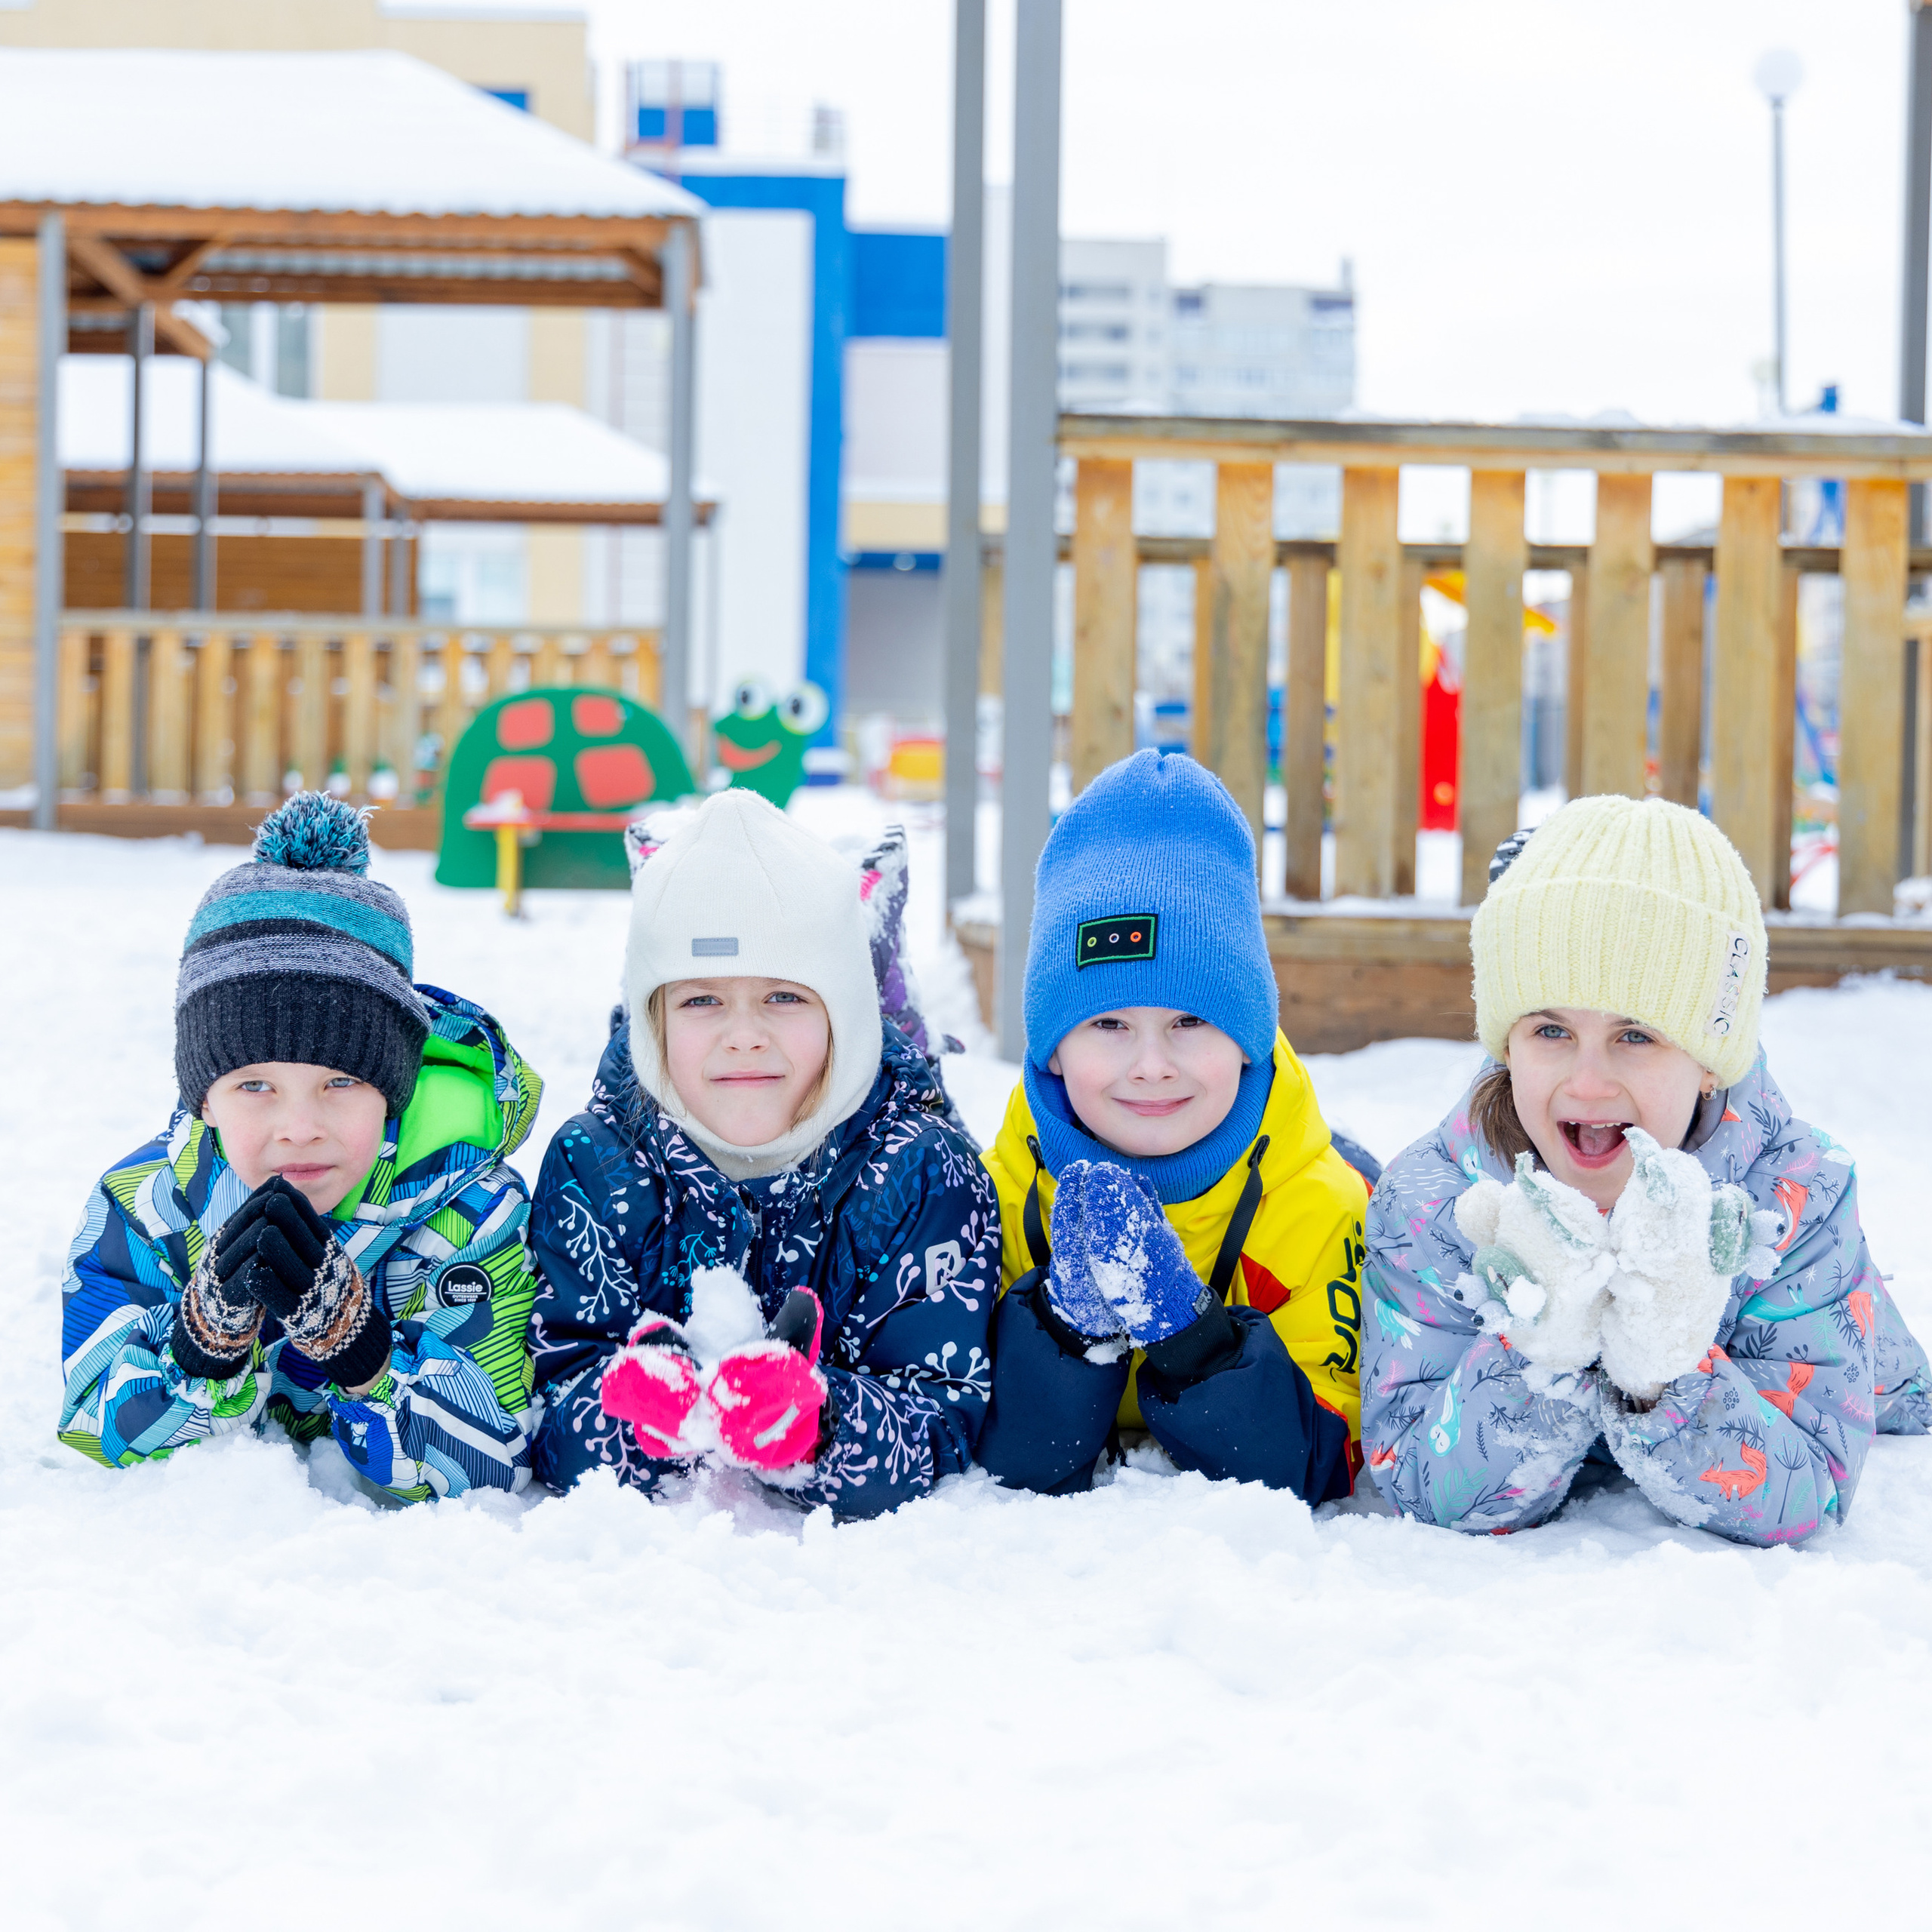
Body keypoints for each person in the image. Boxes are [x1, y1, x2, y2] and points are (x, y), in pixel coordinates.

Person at [1363, 794, 1931, 1544]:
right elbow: (1413, 1477)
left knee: (1902, 1388)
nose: (1589, 1081)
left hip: (1850, 1348)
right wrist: (1540, 1351)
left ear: (1706, 1063)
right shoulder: (1438, 1202)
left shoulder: (1790, 1198)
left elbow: (1812, 1489)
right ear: (1507, 1044)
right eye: (1550, 1028)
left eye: (1635, 1034)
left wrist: (1665, 1372)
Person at [58, 793, 546, 1500]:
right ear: (204, 1098)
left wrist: (364, 1354)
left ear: (395, 1089)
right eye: (255, 1086)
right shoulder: (149, 1210)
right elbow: (93, 1428)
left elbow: (494, 1465)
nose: (299, 1126)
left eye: (341, 1081)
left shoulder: (469, 1213)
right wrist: (204, 1351)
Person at [527, 789, 997, 1521]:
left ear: (842, 1008)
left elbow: (943, 1415)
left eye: (783, 995)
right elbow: (553, 1399)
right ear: (651, 1019)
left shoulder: (918, 1173)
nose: (743, 1035)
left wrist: (821, 1423)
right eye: (701, 1001)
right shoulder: (596, 1166)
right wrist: (627, 1414)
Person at [974, 749, 1370, 1501]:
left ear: (1248, 1037)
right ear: (1052, 1049)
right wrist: (1064, 1327)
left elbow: (1322, 1459)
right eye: (1109, 1023)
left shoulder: (1323, 1210)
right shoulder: (993, 1200)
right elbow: (991, 1450)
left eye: (1191, 1019)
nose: (1152, 1065)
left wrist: (1194, 1338)